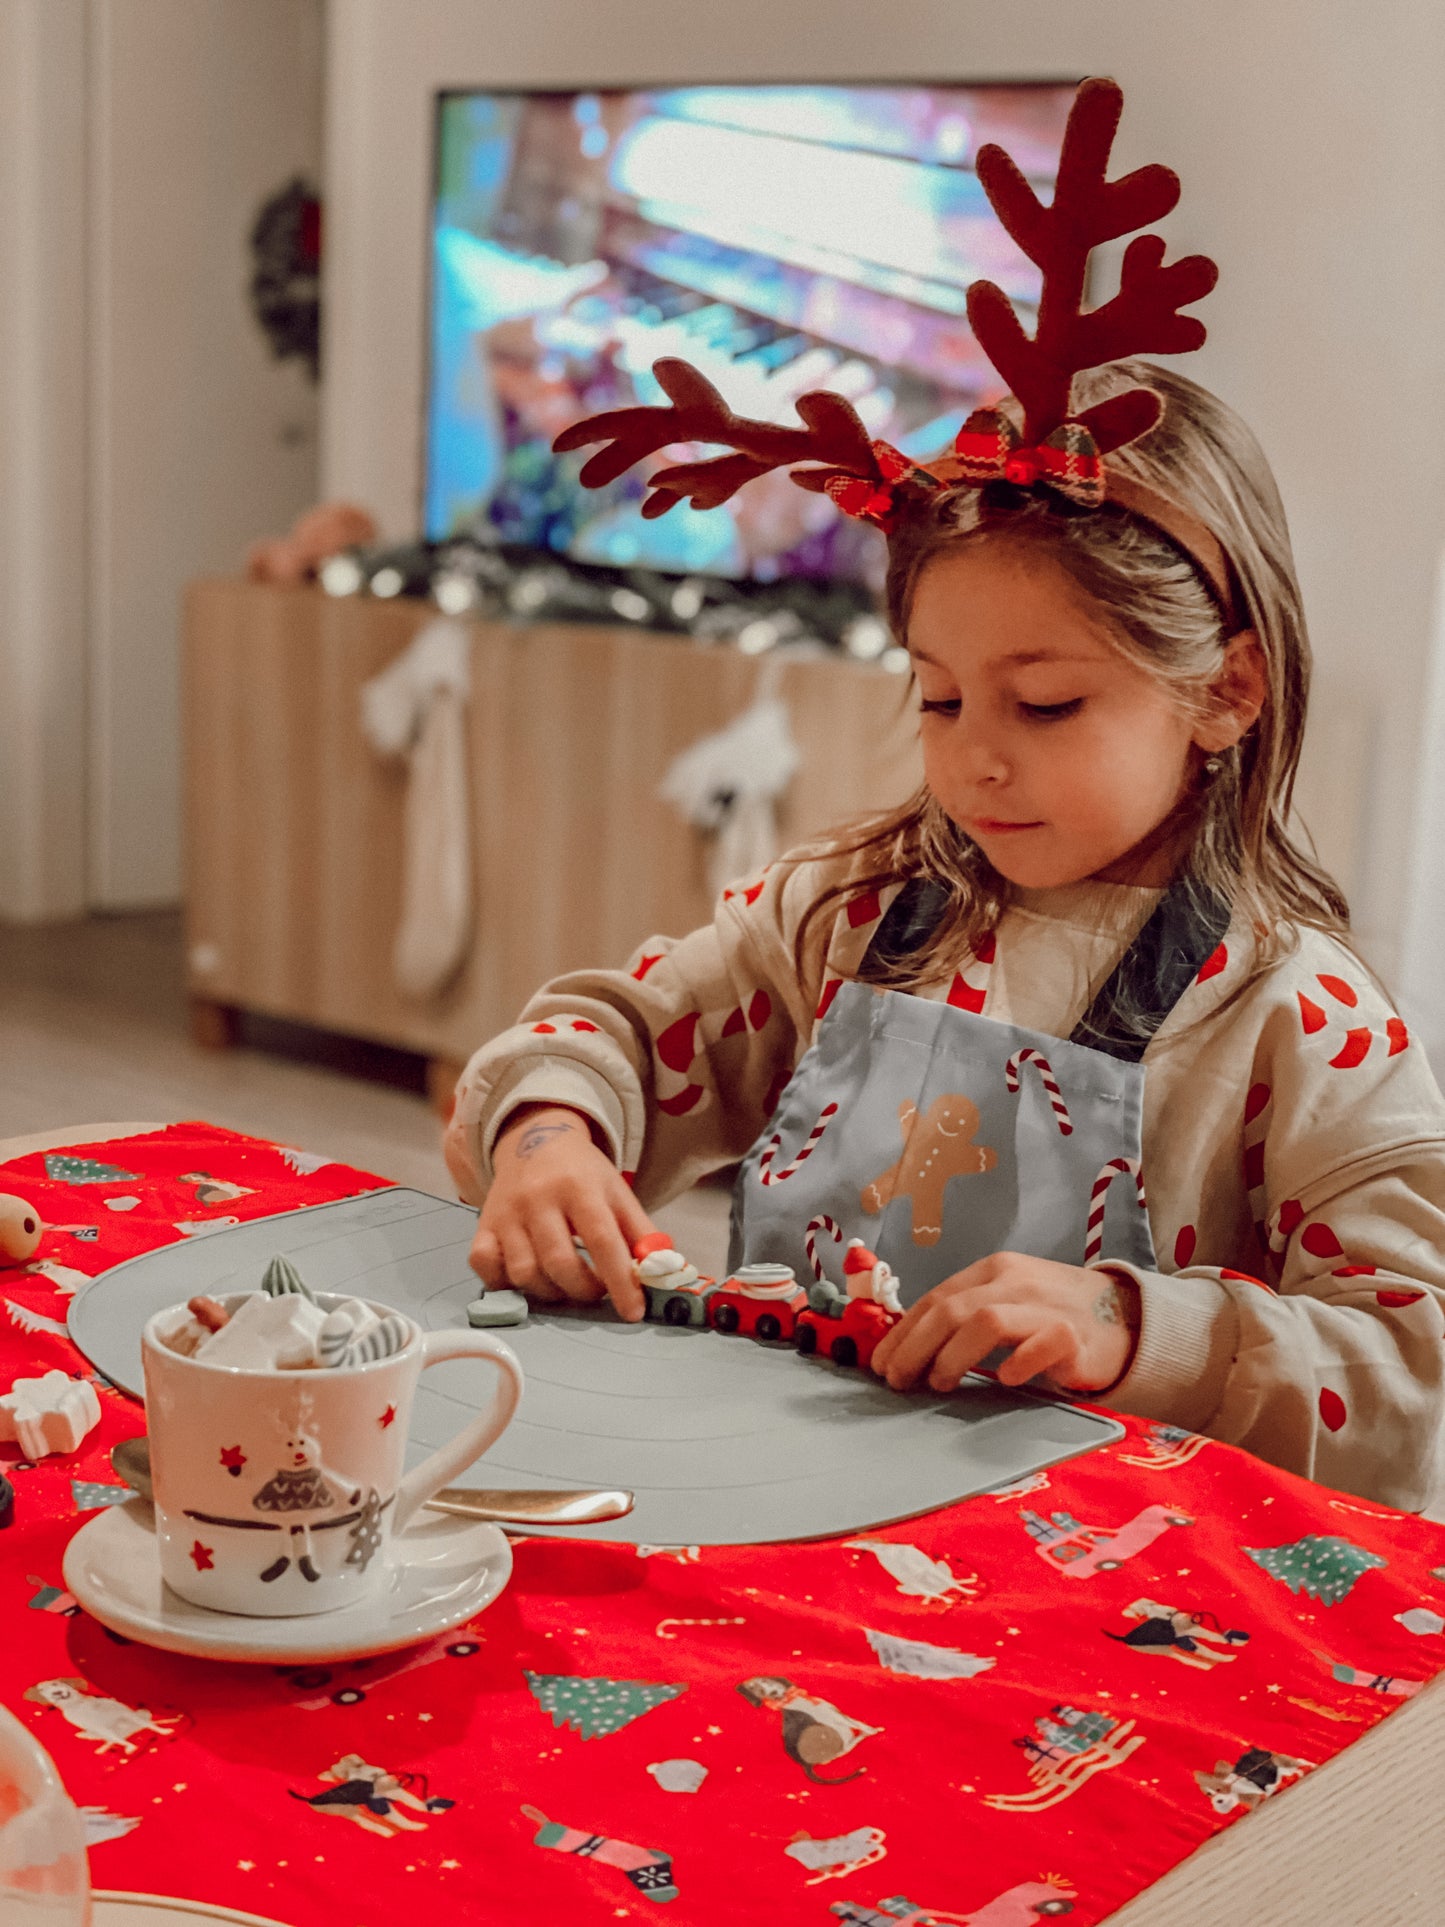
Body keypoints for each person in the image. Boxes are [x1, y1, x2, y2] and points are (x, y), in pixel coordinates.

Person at [443, 79, 1445, 1511]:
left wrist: (1127, 1326)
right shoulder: (845, 918)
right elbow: (608, 1031)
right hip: (782, 1514)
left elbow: (1405, 1374)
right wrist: (549, 1133)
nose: (974, 756)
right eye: (936, 695)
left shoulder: (1295, 1022)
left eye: (1045, 705)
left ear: (1223, 691)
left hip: (1103, 1608)